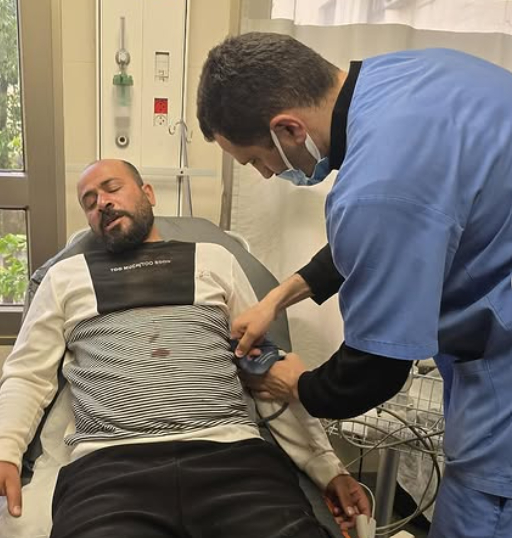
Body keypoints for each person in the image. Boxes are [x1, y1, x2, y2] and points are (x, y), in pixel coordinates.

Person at [197, 31, 512, 538]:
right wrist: (276, 298)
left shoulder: (377, 187)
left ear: (288, 129)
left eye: (256, 160)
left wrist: (296, 384)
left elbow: (372, 371)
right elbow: (389, 235)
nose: (265, 174)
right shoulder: (414, 74)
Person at [0, 159, 370, 538]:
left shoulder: (215, 260)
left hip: (232, 458)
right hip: (109, 469)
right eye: (89, 201)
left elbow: (264, 367)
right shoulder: (65, 277)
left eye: (112, 188)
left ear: (148, 193)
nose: (102, 203)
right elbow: (27, 375)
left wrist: (327, 469)